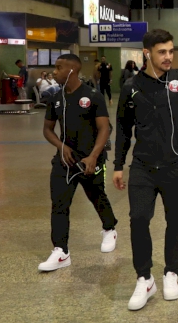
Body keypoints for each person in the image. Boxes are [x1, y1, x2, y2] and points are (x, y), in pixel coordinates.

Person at [113, 29, 178, 311]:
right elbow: (124, 130)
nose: (168, 57)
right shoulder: (131, 87)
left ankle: (171, 273)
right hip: (142, 167)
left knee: (175, 221)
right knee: (138, 219)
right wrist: (117, 165)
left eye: (171, 51)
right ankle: (144, 278)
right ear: (147, 53)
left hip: (176, 167)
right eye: (162, 52)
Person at [39, 54, 118, 272]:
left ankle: (109, 228)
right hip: (65, 160)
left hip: (90, 159)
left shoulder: (92, 96)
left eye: (58, 68)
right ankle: (61, 251)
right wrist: (61, 146)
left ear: (71, 70)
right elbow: (47, 129)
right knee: (59, 203)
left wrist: (93, 156)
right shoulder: (56, 98)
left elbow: (105, 128)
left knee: (96, 195)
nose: (54, 72)